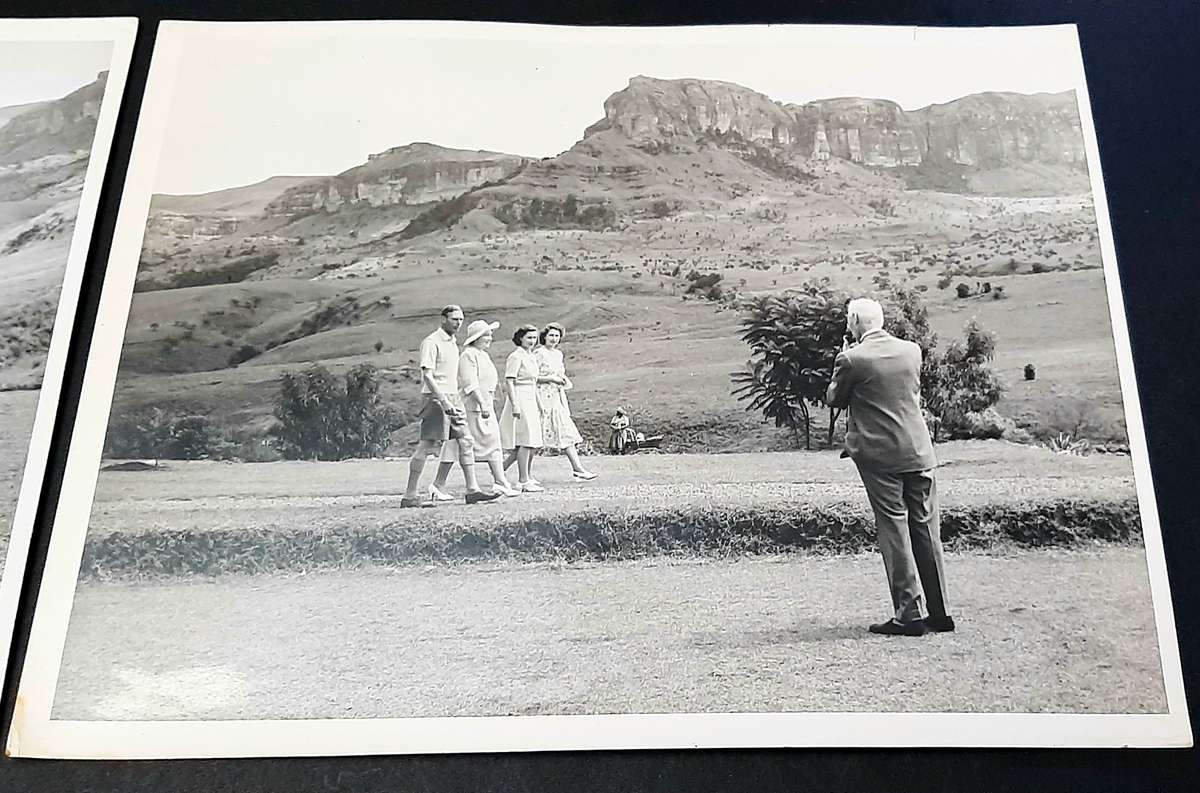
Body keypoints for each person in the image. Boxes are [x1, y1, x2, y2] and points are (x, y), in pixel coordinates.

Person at [826, 297, 953, 637]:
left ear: (854, 322)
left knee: (894, 529)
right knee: (926, 528)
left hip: (881, 457)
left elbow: (834, 399)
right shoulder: (912, 350)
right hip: (919, 451)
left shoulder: (851, 358)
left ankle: (908, 614)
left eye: (848, 320)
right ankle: (940, 612)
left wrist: (844, 355)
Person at [401, 305, 501, 507]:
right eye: (454, 319)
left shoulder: (453, 344)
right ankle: (410, 495)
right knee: (427, 445)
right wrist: (443, 401)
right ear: (443, 319)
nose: (458, 323)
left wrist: (454, 399)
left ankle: (472, 490)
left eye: (461, 319)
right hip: (436, 398)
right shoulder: (431, 342)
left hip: (454, 396)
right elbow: (427, 376)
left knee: (466, 441)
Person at [533, 322, 597, 480]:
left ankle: (578, 469)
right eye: (551, 335)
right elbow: (532, 377)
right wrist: (551, 379)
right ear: (544, 337)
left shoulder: (558, 354)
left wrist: (562, 380)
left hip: (556, 397)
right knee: (535, 437)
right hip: (542, 396)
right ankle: (508, 469)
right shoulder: (539, 353)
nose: (554, 339)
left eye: (557, 336)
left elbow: (560, 373)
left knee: (565, 431)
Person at [500, 324, 545, 492]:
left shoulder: (531, 356)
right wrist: (515, 404)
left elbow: (534, 383)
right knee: (526, 440)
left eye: (534, 338)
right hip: (520, 397)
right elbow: (510, 381)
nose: (532, 341)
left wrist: (540, 404)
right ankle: (523, 480)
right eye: (529, 338)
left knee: (532, 441)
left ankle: (505, 471)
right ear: (520, 338)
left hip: (530, 398)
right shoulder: (516, 356)